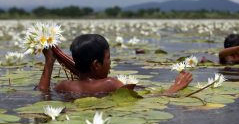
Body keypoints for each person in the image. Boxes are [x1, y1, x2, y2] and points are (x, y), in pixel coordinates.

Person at [38, 34, 192, 95]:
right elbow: (152, 99)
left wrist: (49, 62)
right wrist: (175, 87)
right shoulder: (110, 84)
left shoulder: (63, 86)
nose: (110, 62)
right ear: (96, 65)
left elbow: (43, 92)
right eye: (108, 58)